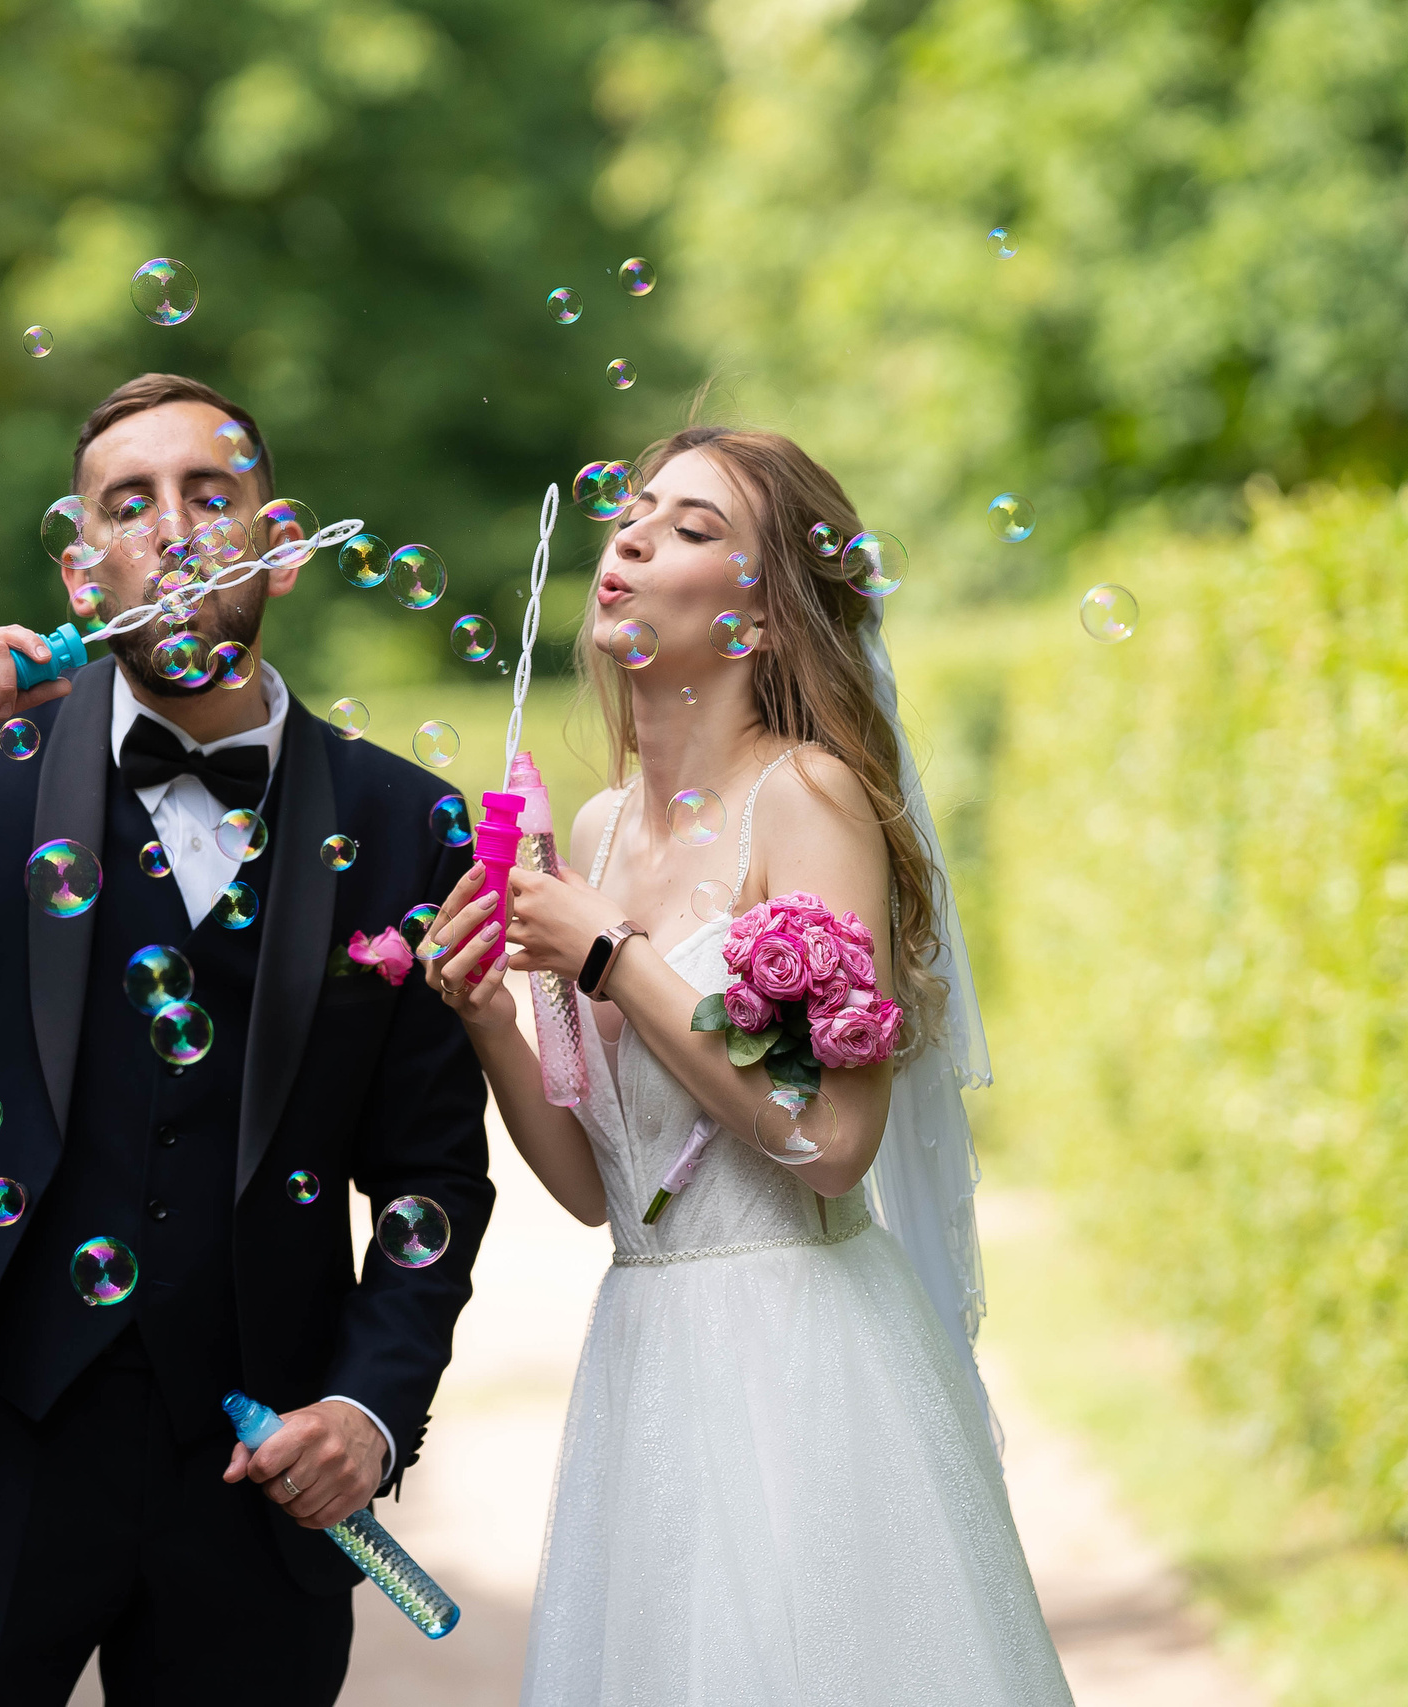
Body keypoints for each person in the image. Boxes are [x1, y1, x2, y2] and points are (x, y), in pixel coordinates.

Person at [0, 373, 494, 1705]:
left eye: (208, 495)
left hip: (256, 1463)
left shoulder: (408, 823)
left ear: (275, 538)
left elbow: (432, 1177)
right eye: (131, 503)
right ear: (81, 568)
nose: (173, 528)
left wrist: (368, 1406)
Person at [418, 426, 1074, 1703]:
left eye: (694, 526)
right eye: (634, 512)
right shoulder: (598, 826)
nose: (634, 535)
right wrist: (491, 1016)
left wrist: (609, 956)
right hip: (647, 1351)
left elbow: (830, 1146)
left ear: (763, 618)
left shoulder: (809, 799)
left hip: (800, 1353)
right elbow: (607, 1190)